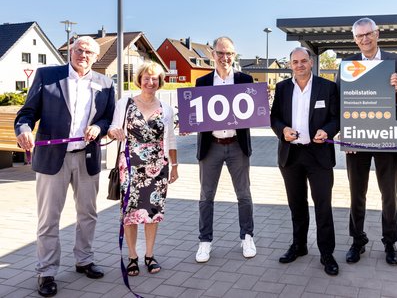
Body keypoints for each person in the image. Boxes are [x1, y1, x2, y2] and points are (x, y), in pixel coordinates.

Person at [14, 36, 115, 297]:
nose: (83, 55)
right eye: (79, 50)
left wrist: (99, 128)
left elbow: (107, 117)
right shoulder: (48, 76)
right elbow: (26, 114)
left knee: (88, 214)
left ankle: (84, 260)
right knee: (49, 219)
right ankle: (46, 271)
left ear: (97, 57)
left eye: (89, 52)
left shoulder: (105, 83)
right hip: (52, 158)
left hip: (87, 158)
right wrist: (24, 130)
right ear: (71, 51)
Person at [339, 17, 397, 265]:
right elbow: (341, 100)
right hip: (357, 136)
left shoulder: (395, 61)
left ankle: (390, 243)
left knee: (389, 193)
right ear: (355, 39)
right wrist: (344, 133)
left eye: (368, 34)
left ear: (377, 34)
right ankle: (358, 240)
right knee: (357, 193)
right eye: (360, 36)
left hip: (387, 136)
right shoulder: (347, 63)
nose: (365, 39)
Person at [270, 47, 340, 276]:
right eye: (294, 62)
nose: (299, 65)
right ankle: (299, 246)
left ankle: (327, 253)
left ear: (311, 62)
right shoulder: (282, 88)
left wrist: (326, 132)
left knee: (323, 206)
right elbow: (274, 118)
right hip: (291, 155)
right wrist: (283, 130)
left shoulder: (327, 87)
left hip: (318, 155)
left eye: (303, 61)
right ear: (290, 64)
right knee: (296, 204)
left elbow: (335, 118)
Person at [108, 61, 178, 276]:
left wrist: (174, 166)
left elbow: (171, 139)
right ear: (139, 80)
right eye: (146, 78)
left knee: (152, 213)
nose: (150, 82)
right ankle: (132, 257)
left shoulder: (165, 108)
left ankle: (149, 254)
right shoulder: (125, 103)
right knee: (129, 213)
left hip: (157, 168)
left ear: (160, 82)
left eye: (155, 78)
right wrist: (114, 132)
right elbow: (112, 128)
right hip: (130, 166)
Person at [195, 36, 256, 263]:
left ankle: (247, 236)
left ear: (235, 54)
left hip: (237, 146)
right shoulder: (202, 82)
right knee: (206, 196)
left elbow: (254, 110)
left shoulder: (245, 79)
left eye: (229, 53)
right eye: (221, 53)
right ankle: (205, 241)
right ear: (213, 54)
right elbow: (196, 113)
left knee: (244, 195)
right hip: (211, 146)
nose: (225, 57)